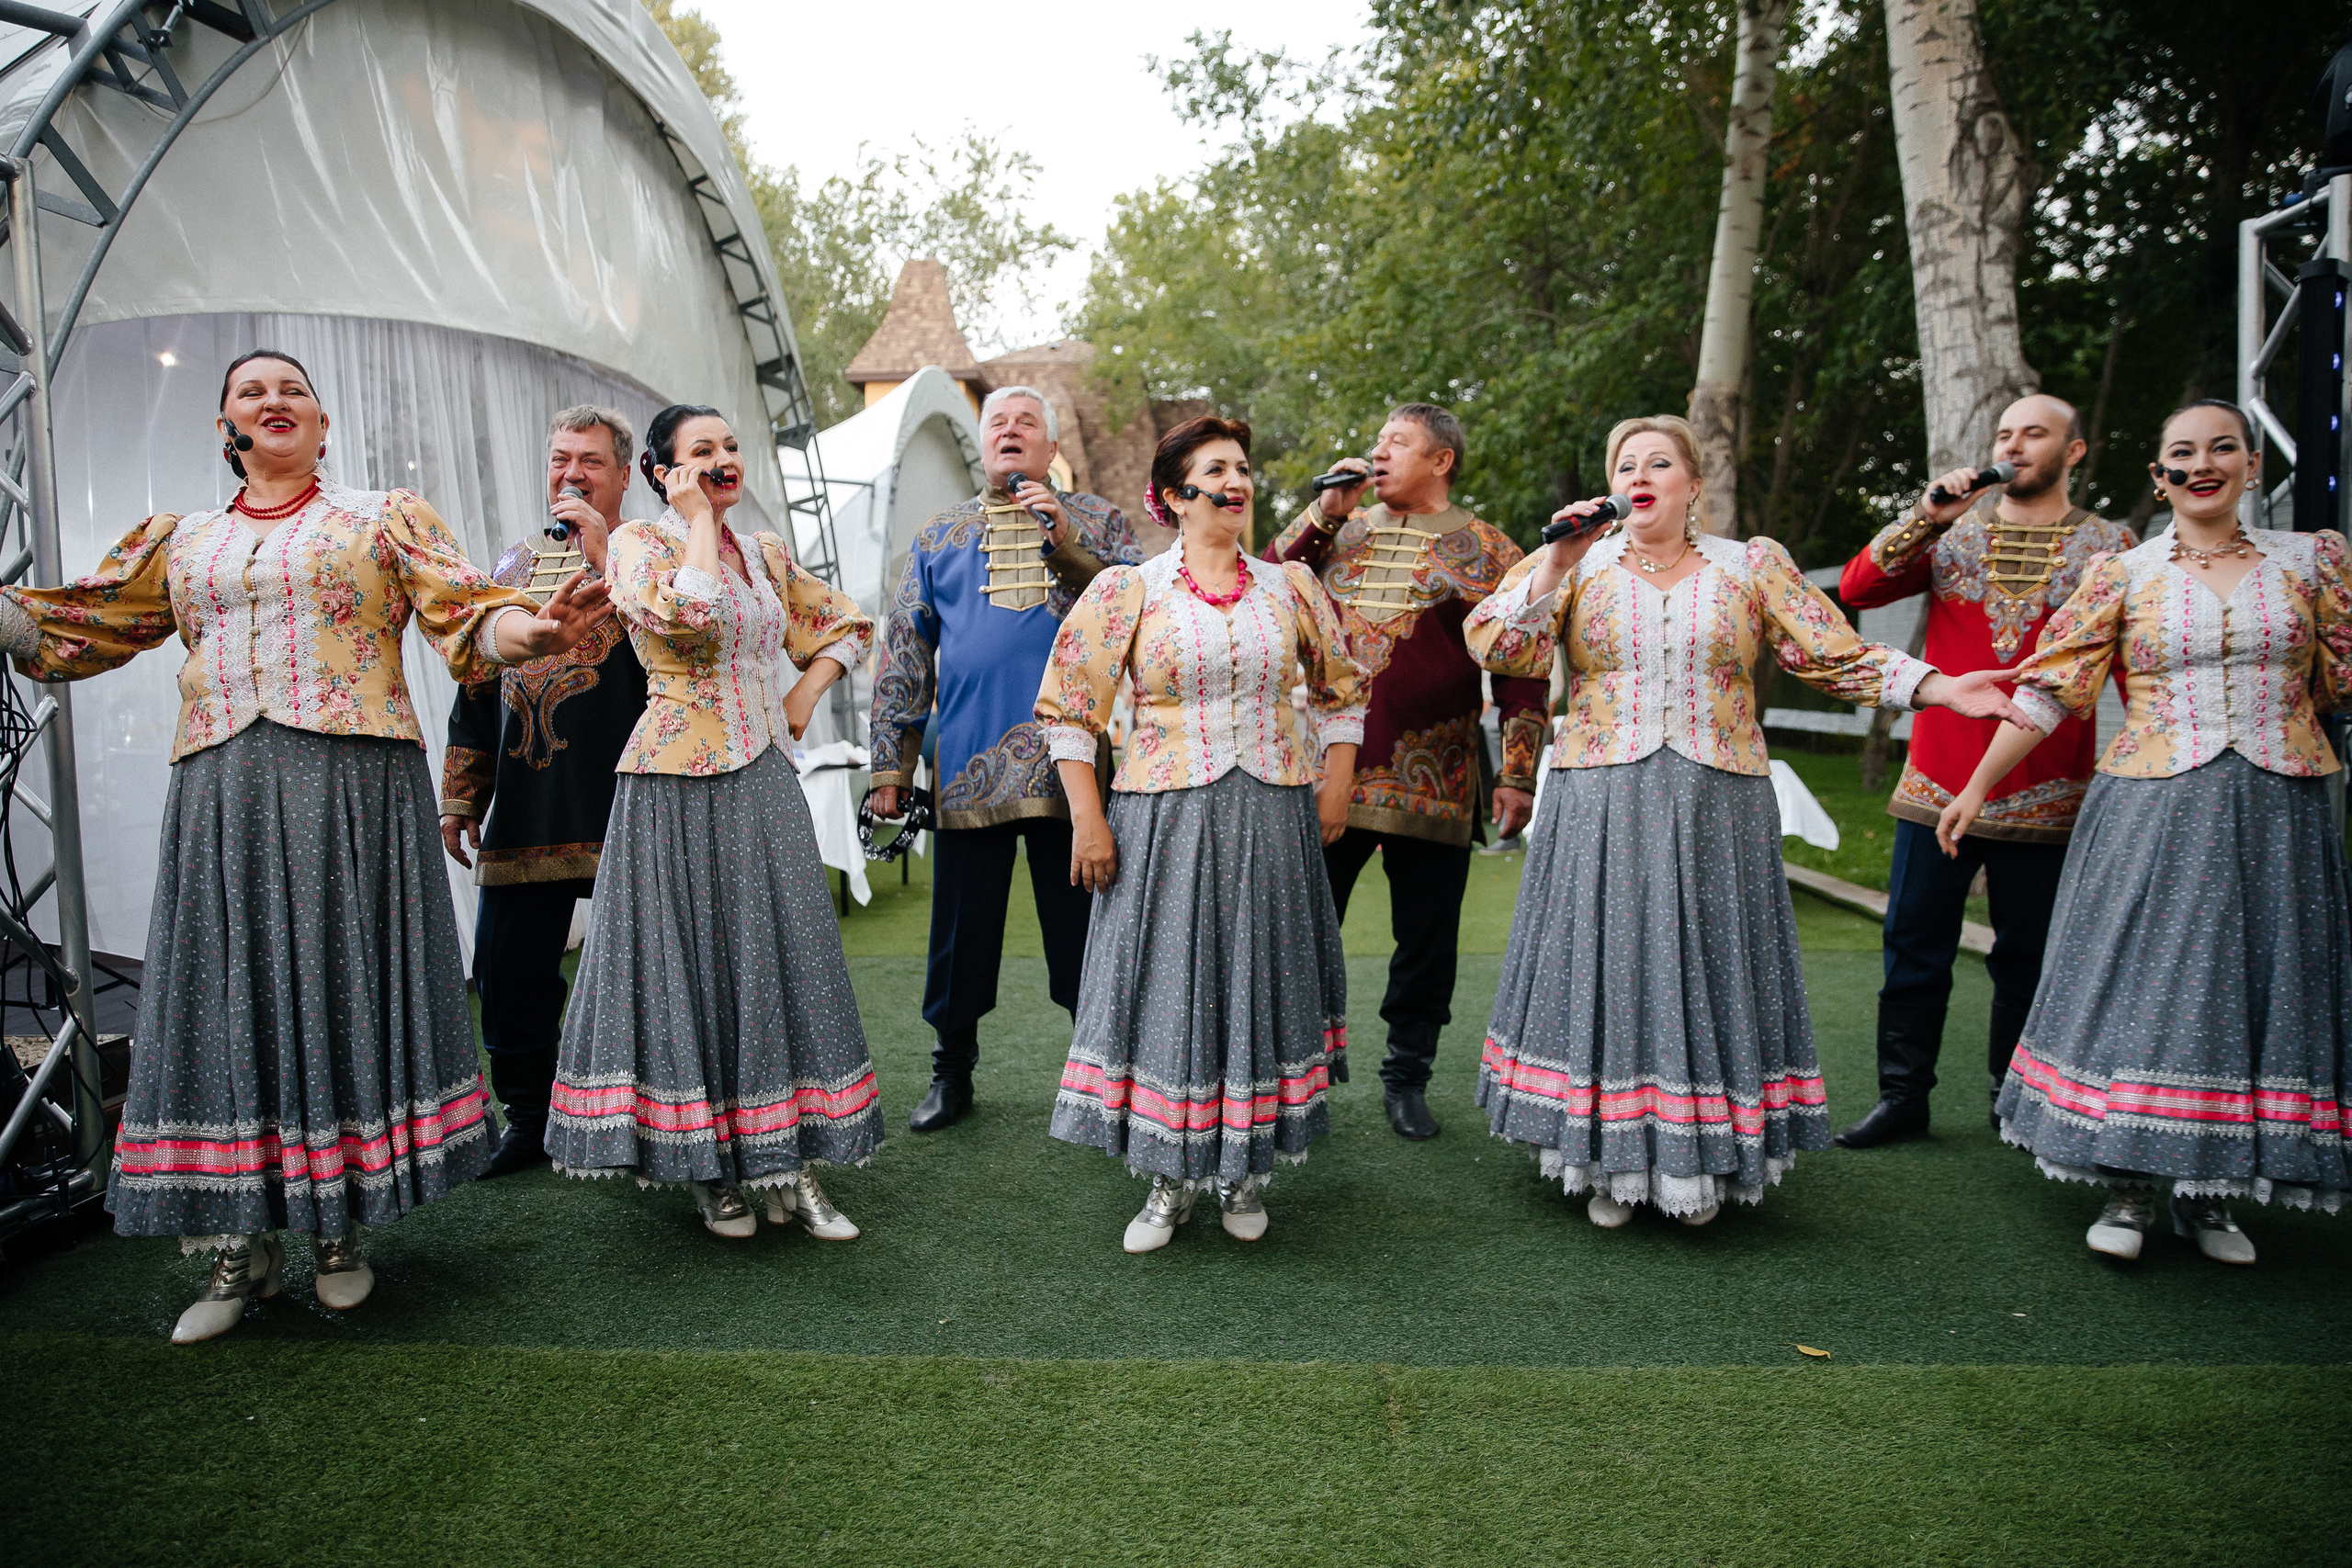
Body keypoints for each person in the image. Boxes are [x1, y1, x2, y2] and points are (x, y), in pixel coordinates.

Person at [0, 350, 609, 1342]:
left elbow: (470, 614)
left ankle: (340, 1231)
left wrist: (529, 638)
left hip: (350, 787)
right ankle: (240, 1244)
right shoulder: (180, 539)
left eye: (294, 390)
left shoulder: (383, 517)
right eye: (252, 391)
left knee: (335, 989)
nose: (274, 401)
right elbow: (80, 625)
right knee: (231, 998)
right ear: (225, 429)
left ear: (323, 425)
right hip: (222, 791)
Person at [1464, 414, 2025, 1228]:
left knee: (1709, 962)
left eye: (1660, 462)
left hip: (1716, 800)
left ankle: (1701, 1158)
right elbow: (1497, 647)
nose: (1641, 475)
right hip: (1600, 796)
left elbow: (1832, 653)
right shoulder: (1577, 564)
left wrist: (1939, 686)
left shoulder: (1749, 564)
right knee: (1612, 963)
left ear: (1694, 482)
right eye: (1627, 464)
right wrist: (1556, 556)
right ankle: (1603, 1157)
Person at [1938, 400, 2352, 1265]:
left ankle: (2210, 1195)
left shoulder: (2313, 561)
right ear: (2158, 476)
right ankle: (2130, 1184)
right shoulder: (2125, 571)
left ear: (2250, 465)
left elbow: (2339, 680)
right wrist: (1975, 787)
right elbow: (2052, 689)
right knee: (2150, 985)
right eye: (2182, 453)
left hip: (2280, 808)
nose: (2203, 463)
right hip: (2153, 804)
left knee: (2250, 989)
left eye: (2222, 448)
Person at [544, 404, 880, 1242]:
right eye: (702, 451)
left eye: (731, 445)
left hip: (763, 774)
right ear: (663, 472)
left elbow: (847, 621)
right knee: (693, 967)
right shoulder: (635, 545)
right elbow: (679, 620)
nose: (724, 458)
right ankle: (710, 1173)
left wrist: (805, 690)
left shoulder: (763, 551)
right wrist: (694, 522)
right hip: (670, 782)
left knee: (781, 954)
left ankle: (789, 1163)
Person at [1036, 415, 1365, 1253]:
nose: (1237, 479)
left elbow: (1342, 691)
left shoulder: (1291, 588)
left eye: (1244, 467)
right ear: (1176, 496)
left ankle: (1242, 1171)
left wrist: (1335, 784)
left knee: (1257, 974)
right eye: (1216, 468)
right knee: (1174, 985)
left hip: (1272, 814)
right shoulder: (1127, 589)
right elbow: (1070, 710)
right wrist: (1088, 816)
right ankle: (1168, 1176)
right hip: (1162, 817)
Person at [1833, 395, 2138, 1148]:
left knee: (2028, 954)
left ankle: (2015, 1097)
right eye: (2005, 433)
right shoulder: (1951, 534)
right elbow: (1857, 588)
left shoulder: (2112, 547)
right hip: (1935, 777)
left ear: (2074, 451)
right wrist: (1926, 516)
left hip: (2049, 782)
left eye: (2034, 433)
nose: (2014, 444)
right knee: (1911, 944)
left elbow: (2133, 666)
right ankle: (1903, 1096)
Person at [1266, 404, 1548, 1141]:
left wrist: (1517, 773)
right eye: (1376, 440)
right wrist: (1323, 514)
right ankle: (1294, 1077)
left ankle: (1407, 1074)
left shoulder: (1490, 550)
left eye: (1396, 442)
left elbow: (1523, 669)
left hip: (1439, 775)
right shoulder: (1337, 533)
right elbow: (1258, 589)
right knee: (1300, 928)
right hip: (1327, 772)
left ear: (1441, 460)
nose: (1377, 452)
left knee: (1427, 937)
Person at [867, 386, 1141, 1133]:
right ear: (983, 444)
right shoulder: (938, 537)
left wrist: (1065, 543)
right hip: (965, 769)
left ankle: (1101, 1076)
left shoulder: (1101, 523)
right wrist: (892, 766)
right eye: (998, 424)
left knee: (1085, 930)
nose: (1010, 432)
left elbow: (1139, 614)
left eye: (1027, 424)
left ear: (1052, 450)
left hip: (1077, 773)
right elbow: (904, 655)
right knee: (960, 934)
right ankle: (950, 1073)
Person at [440, 406, 650, 1176]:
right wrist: (462, 793)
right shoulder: (508, 569)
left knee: (649, 963)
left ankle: (651, 1111)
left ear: (624, 474)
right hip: (528, 802)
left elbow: (685, 657)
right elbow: (475, 681)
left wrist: (611, 555)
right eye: (561, 457)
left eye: (591, 461)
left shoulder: (654, 556)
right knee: (508, 966)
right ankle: (529, 1116)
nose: (573, 473)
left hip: (633, 799)